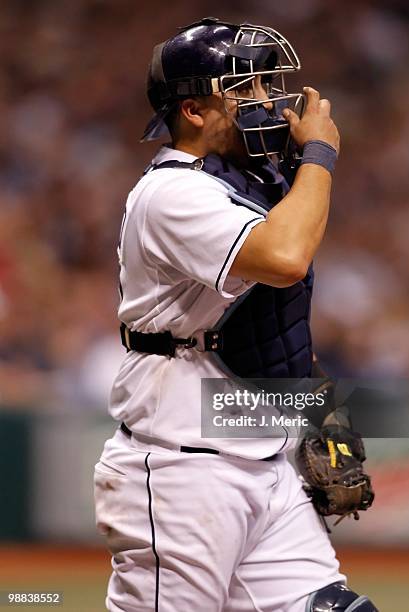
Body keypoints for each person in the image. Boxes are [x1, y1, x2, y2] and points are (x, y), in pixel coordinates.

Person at [94, 17, 377, 611]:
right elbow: (286, 258)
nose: (269, 101)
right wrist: (320, 156)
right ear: (194, 111)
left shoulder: (252, 183)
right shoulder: (173, 192)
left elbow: (270, 320)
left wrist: (319, 408)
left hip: (264, 463)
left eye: (269, 84)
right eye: (245, 89)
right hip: (181, 473)